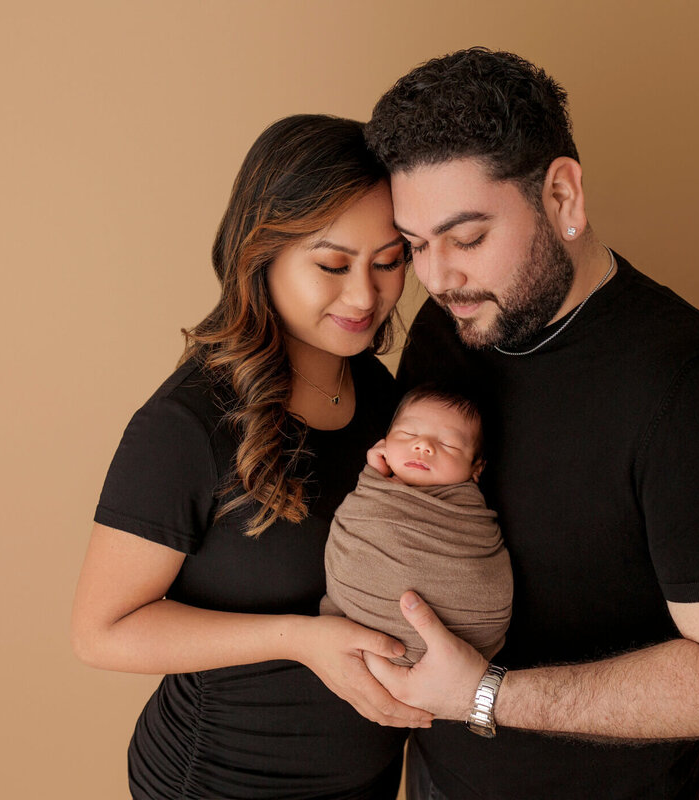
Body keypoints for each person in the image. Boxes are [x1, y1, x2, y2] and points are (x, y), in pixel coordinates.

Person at [360, 48, 699, 799]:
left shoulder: (696, 389)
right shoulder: (450, 330)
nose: (437, 279)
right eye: (415, 245)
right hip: (436, 781)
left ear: (563, 197)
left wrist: (485, 696)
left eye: (467, 238)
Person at [70, 114, 432, 800]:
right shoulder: (186, 425)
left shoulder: (382, 393)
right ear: (260, 252)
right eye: (332, 265)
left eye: (389, 262)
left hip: (369, 779)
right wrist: (299, 639)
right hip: (222, 780)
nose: (365, 296)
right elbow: (101, 633)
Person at [320, 385, 512, 666]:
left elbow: (480, 577)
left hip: (456, 655)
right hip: (354, 635)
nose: (423, 446)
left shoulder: (467, 514)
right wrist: (373, 475)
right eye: (409, 434)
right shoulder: (372, 490)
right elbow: (355, 525)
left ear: (476, 469)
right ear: (384, 442)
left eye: (448, 444)